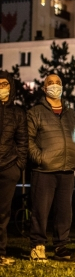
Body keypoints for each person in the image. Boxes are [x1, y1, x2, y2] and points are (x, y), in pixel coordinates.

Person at [28, 74, 75, 262]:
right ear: (44, 89)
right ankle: (38, 246)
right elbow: (28, 139)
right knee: (40, 211)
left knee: (64, 212)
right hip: (44, 170)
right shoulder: (35, 112)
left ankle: (61, 248)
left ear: (62, 87)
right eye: (50, 83)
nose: (54, 86)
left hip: (67, 169)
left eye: (57, 83)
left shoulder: (71, 113)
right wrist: (40, 159)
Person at [0, 71, 27, 266]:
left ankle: (0, 252)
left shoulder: (18, 112)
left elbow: (23, 143)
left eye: (5, 85)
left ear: (11, 88)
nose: (2, 88)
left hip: (8, 168)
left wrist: (18, 167)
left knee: (3, 213)